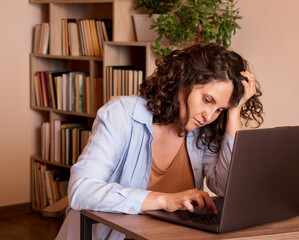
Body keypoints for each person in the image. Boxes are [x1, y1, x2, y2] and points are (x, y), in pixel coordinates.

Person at [56, 43, 264, 240]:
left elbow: (227, 188)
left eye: (220, 109)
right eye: (207, 100)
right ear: (184, 81)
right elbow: (81, 190)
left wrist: (234, 112)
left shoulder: (203, 131)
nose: (209, 115)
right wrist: (163, 199)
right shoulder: (122, 114)